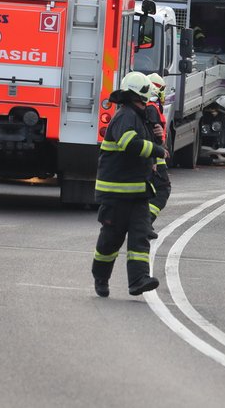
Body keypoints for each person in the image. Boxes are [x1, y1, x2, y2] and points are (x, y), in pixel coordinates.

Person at [92, 71, 166, 298]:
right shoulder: (125, 116)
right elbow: (130, 144)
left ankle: (138, 280)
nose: (147, 103)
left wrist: (158, 137)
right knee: (110, 241)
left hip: (138, 192)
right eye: (144, 99)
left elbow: (143, 142)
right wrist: (157, 149)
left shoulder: (139, 116)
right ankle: (101, 277)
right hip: (115, 194)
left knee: (140, 236)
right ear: (138, 96)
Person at [144, 73, 171, 240]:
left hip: (154, 157)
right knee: (162, 190)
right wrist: (154, 157)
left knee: (152, 192)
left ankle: (144, 223)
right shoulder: (151, 108)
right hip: (154, 159)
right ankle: (145, 223)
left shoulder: (148, 107)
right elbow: (152, 134)